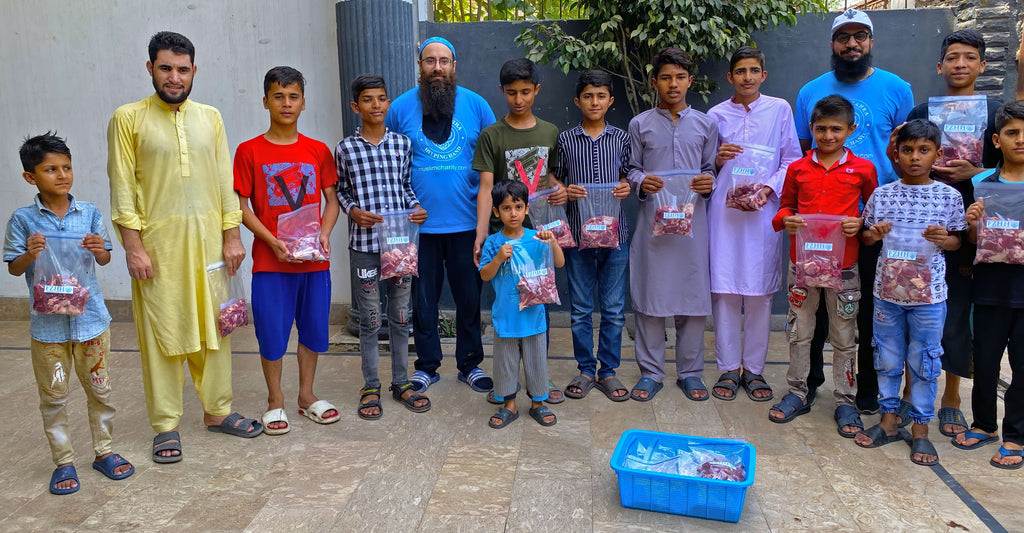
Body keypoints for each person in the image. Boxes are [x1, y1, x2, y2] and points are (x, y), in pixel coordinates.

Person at [107, 31, 262, 464]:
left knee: (215, 330)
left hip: (211, 246)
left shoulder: (210, 117)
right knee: (162, 333)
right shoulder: (128, 118)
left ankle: (218, 411)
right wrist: (133, 247)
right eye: (165, 68)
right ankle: (166, 425)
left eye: (183, 69)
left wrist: (232, 235)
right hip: (158, 249)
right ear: (150, 68)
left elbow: (224, 182)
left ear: (194, 70)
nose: (174, 77)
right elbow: (122, 188)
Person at [794, 9, 914, 413]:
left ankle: (861, 390)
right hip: (819, 226)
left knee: (864, 310)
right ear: (832, 44)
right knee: (814, 313)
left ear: (871, 41)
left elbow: (906, 150)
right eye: (843, 37)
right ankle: (808, 384)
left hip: (873, 223)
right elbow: (802, 154)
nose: (851, 44)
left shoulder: (897, 89)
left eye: (859, 36)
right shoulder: (810, 91)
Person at [4, 133, 134, 494]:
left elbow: (105, 257)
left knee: (101, 390)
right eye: (50, 169)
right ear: (31, 177)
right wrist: (30, 254)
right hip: (49, 328)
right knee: (54, 395)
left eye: (67, 167)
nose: (61, 175)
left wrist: (99, 249)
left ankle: (104, 451)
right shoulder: (24, 219)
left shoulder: (89, 213)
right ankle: (63, 462)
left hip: (91, 320)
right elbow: (14, 269)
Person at [901, 30, 1002, 438]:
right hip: (924, 224)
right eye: (953, 58)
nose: (960, 64)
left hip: (977, 227)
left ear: (981, 65)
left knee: (957, 313)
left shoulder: (997, 113)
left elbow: (1014, 171)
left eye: (969, 57)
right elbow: (908, 160)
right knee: (911, 301)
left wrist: (974, 173)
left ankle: (951, 396)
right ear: (939, 66)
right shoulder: (924, 109)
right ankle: (909, 394)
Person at [233, 66, 340, 435]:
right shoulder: (249, 151)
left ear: (304, 102)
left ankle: (306, 396)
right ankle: (275, 400)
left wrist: (324, 234)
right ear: (266, 101)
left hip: (314, 262)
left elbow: (332, 200)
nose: (286, 103)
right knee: (272, 332)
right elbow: (242, 207)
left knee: (312, 331)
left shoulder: (318, 150)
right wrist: (271, 240)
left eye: (293, 96)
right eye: (278, 96)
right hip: (271, 262)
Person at [385, 37, 495, 394]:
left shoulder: (477, 106)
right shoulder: (400, 108)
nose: (437, 67)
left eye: (443, 61)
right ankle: (427, 366)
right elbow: (387, 163)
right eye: (430, 61)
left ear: (453, 65)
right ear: (420, 66)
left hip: (467, 225)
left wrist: (486, 227)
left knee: (469, 298)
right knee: (423, 300)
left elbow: (493, 161)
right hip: (418, 228)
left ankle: (470, 364)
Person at [856, 119, 966, 466]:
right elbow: (867, 238)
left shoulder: (949, 196)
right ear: (896, 153)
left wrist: (942, 240)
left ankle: (920, 430)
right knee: (886, 360)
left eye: (923, 150)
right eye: (907, 150)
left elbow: (957, 241)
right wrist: (873, 234)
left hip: (929, 299)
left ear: (938, 154)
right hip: (887, 293)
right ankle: (888, 422)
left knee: (925, 362)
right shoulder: (883, 194)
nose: (915, 158)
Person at [769, 95, 876, 437]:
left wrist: (859, 223)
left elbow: (872, 215)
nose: (828, 135)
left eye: (836, 129)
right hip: (803, 265)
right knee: (800, 332)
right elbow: (784, 207)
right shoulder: (798, 168)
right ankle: (797, 391)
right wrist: (787, 220)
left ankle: (845, 399)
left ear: (850, 130)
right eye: (821, 129)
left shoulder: (863, 169)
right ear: (811, 129)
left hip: (844, 267)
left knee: (844, 336)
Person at [706, 47, 802, 402]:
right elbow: (705, 165)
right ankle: (729, 368)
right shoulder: (714, 114)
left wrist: (766, 189)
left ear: (764, 75)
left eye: (754, 70)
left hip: (764, 211)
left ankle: (755, 370)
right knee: (726, 291)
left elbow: (791, 159)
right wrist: (716, 158)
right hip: (724, 212)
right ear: (730, 77)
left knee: (760, 295)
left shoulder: (779, 110)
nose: (747, 77)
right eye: (740, 71)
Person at [625, 47, 717, 402]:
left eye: (680, 77)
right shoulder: (640, 124)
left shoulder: (706, 124)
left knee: (693, 298)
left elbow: (710, 170)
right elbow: (631, 168)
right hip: (654, 227)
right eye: (665, 77)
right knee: (650, 296)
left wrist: (708, 182)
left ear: (689, 81)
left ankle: (691, 373)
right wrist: (640, 182)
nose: (673, 84)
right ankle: (650, 372)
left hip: (693, 226)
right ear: (654, 82)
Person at [337, 74, 431, 419]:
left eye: (381, 98)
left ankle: (402, 381)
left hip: (399, 244)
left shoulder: (402, 145)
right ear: (355, 106)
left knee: (401, 315)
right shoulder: (345, 148)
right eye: (367, 100)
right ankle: (371, 384)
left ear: (388, 103)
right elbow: (341, 192)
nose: (375, 105)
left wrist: (416, 208)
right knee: (371, 317)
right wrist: (354, 211)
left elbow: (405, 187)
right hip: (364, 245)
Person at [473, 57, 566, 404]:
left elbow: (551, 177)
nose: (518, 99)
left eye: (526, 92)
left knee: (538, 306)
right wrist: (482, 233)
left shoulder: (550, 132)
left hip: (540, 238)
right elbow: (485, 187)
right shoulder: (492, 135)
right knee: (509, 307)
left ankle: (540, 382)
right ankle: (507, 386)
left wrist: (559, 187)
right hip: (506, 240)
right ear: (502, 91)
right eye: (511, 92)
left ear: (536, 90)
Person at [553, 70, 632, 402]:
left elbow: (631, 175)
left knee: (613, 308)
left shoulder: (622, 138)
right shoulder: (566, 139)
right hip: (577, 236)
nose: (594, 102)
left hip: (616, 236)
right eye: (588, 96)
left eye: (601, 96)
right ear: (577, 101)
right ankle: (586, 369)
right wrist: (564, 190)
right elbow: (553, 181)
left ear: (610, 101)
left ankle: (608, 371)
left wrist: (628, 185)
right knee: (582, 308)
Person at [956, 101, 1024, 469]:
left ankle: (1016, 435)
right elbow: (971, 240)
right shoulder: (982, 184)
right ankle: (984, 424)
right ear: (997, 140)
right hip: (990, 288)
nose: (1020, 140)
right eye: (1012, 133)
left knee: (1023, 367)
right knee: (983, 360)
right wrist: (971, 222)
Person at [479, 180, 564, 428]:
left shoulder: (537, 237)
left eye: (518, 206)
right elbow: (484, 275)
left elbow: (558, 264)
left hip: (533, 316)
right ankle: (510, 405)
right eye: (506, 208)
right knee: (505, 362)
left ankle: (538, 403)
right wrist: (497, 258)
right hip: (505, 317)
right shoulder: (494, 243)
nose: (513, 213)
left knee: (536, 361)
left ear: (527, 209)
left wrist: (553, 242)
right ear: (496, 212)